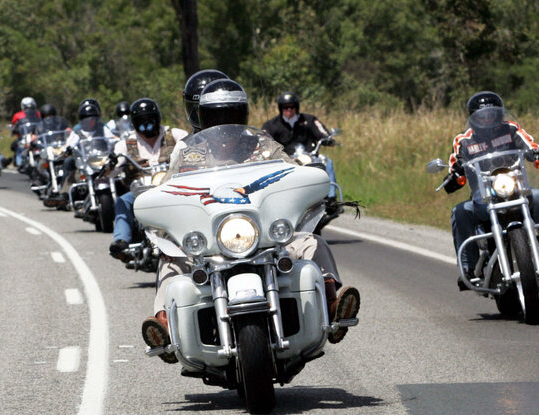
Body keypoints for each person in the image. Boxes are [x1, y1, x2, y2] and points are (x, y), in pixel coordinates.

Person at [141, 77, 362, 363]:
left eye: (231, 116)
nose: (224, 125)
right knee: (170, 260)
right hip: (208, 241)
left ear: (242, 115)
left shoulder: (264, 146)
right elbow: (168, 190)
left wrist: (307, 178)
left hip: (262, 236)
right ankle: (164, 326)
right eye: (217, 117)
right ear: (204, 118)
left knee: (310, 242)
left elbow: (291, 173)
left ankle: (332, 304)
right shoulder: (188, 154)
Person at [443, 91, 539, 283]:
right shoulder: (464, 140)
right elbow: (455, 162)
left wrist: (537, 153)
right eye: (482, 115)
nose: (487, 118)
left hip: (516, 188)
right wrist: (456, 172)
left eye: (491, 114)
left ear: (499, 114)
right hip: (483, 195)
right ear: (473, 117)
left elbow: (529, 145)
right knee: (460, 211)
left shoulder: (511, 129)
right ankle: (468, 269)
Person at [108, 98, 188, 260]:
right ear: (134, 123)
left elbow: (192, 148)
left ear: (158, 118)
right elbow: (114, 167)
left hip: (172, 188)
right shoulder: (126, 143)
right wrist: (110, 165)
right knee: (123, 201)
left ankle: (192, 235)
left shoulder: (175, 135)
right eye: (142, 121)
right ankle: (121, 240)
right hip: (141, 192)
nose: (147, 125)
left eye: (150, 120)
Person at [261, 91, 338, 198]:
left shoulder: (309, 120)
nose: (289, 110)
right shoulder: (271, 125)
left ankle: (331, 196)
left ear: (297, 107)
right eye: (285, 107)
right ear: (280, 108)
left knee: (326, 161)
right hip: (285, 161)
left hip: (310, 158)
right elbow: (263, 139)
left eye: (292, 107)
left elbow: (323, 133)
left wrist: (328, 139)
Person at [58, 100, 118, 199]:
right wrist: (66, 149)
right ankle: (65, 195)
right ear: (82, 120)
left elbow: (112, 139)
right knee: (73, 173)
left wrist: (119, 141)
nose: (90, 121)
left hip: (101, 161)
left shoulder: (103, 129)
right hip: (85, 163)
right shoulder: (77, 131)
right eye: (86, 119)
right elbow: (70, 143)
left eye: (93, 118)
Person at [10, 96, 42, 170]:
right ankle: (19, 163)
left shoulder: (18, 115)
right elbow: (14, 126)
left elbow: (13, 125)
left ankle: (20, 163)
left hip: (34, 137)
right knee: (19, 146)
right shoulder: (39, 114)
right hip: (29, 136)